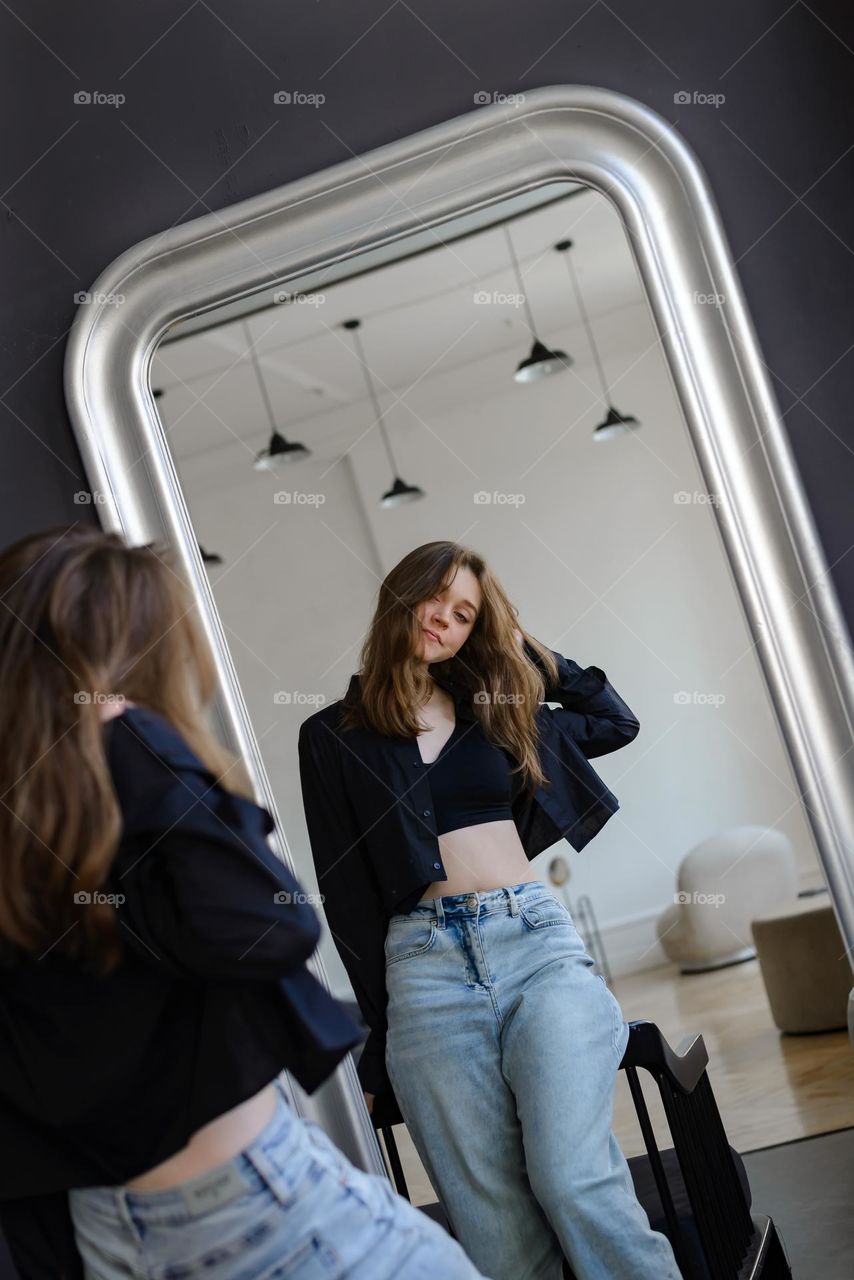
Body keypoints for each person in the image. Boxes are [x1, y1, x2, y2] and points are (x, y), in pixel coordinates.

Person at [0, 526, 490, 1280]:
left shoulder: (53, 833)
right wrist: (131, 735)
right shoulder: (141, 775)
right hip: (241, 1202)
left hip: (101, 1234)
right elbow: (271, 924)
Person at [298, 540, 684, 1280]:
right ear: (399, 598)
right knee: (495, 1230)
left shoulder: (497, 712)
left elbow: (614, 721)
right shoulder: (331, 737)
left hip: (534, 945)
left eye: (464, 614)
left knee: (575, 1180)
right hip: (423, 971)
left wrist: (517, 644)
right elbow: (345, 897)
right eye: (435, 599)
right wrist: (376, 1041)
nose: (444, 619)